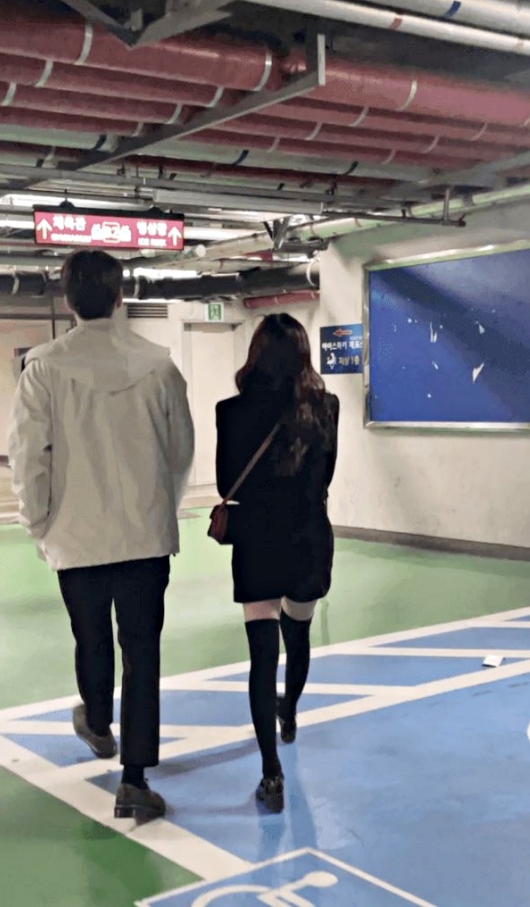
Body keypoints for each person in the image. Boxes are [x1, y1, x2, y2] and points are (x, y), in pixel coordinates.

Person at [8, 249, 194, 821]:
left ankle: (97, 720)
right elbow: (180, 452)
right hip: (146, 538)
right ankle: (134, 781)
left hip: (75, 537)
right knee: (142, 653)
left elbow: (28, 458)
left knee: (90, 639)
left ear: (67, 301)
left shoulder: (42, 369)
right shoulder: (159, 366)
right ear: (121, 296)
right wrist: (162, 507)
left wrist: (39, 522)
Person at [215, 313, 339, 813]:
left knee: (262, 657)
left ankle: (270, 771)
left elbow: (226, 482)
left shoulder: (231, 410)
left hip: (257, 540)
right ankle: (289, 714)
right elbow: (327, 475)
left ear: (256, 354)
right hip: (308, 536)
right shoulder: (326, 408)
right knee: (299, 634)